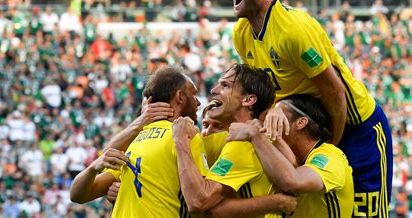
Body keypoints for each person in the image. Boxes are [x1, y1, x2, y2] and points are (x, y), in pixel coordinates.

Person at [229, 0, 392, 216]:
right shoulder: (241, 34)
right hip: (312, 130)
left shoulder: (294, 30)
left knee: (365, 213)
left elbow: (335, 92)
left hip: (355, 126)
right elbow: (265, 92)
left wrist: (331, 147)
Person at [70, 66, 209, 217]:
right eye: (194, 94)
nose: (198, 102)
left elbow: (77, 195)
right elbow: (201, 203)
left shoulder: (132, 143)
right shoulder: (185, 136)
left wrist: (93, 168)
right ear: (180, 97)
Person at [172, 63, 297, 217]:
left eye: (225, 85)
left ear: (248, 100)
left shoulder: (244, 146)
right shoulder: (235, 137)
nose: (213, 90)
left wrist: (180, 140)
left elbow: (200, 202)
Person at [227, 94, 354, 217]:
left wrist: (255, 135)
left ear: (301, 123)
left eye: (277, 117)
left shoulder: (331, 156)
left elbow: (294, 182)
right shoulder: (281, 153)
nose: (269, 122)